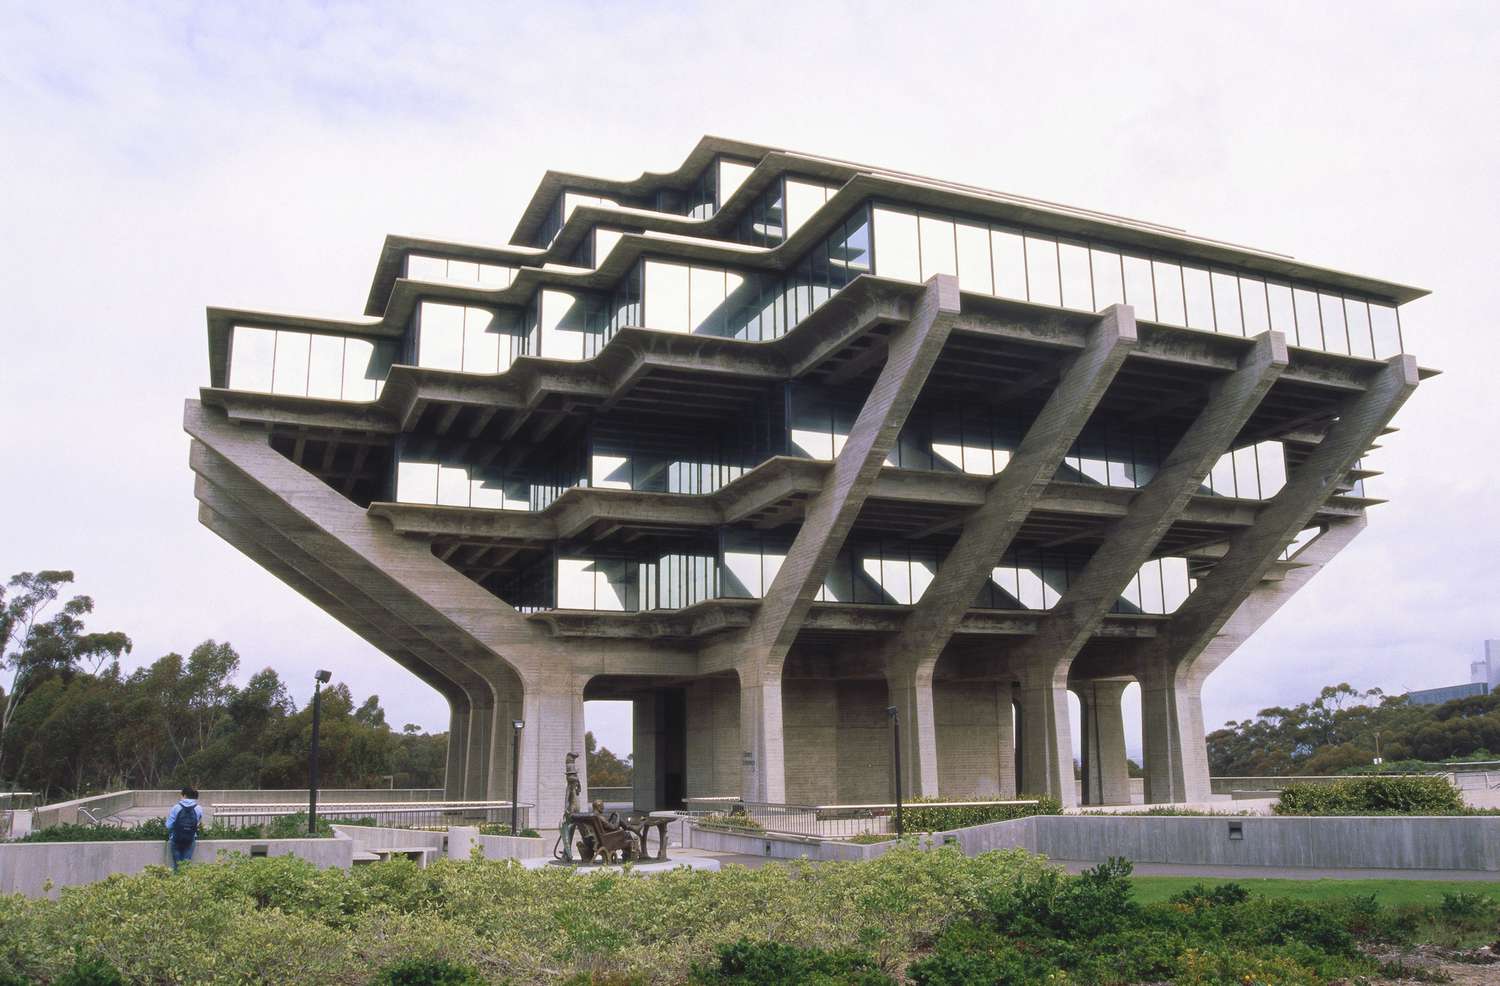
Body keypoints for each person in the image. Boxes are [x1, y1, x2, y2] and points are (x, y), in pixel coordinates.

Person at [165, 786, 203, 871]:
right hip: (190, 838)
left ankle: (176, 882)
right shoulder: (199, 808)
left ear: (184, 795)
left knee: (177, 865)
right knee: (186, 866)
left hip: (176, 838)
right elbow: (198, 824)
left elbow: (168, 825)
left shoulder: (176, 807)